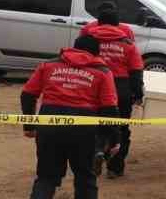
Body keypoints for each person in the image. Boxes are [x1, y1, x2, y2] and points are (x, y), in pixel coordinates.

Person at [21, 35, 121, 199]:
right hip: (85, 129)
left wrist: (29, 125)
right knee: (86, 178)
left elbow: (27, 95)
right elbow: (109, 108)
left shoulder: (49, 65)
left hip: (49, 124)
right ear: (96, 53)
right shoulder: (102, 72)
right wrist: (113, 138)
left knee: (46, 177)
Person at [87, 6, 144, 179]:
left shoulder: (87, 39)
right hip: (121, 88)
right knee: (121, 128)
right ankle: (115, 166)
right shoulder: (128, 44)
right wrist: (138, 94)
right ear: (117, 24)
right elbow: (136, 71)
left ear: (99, 22)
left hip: (92, 86)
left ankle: (96, 152)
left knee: (93, 126)